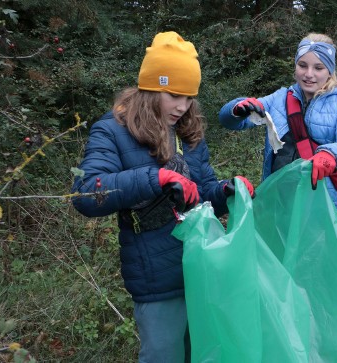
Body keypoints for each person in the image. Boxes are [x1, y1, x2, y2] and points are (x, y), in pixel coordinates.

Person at [71, 31, 254, 362]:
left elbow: (202, 195)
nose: (182, 106)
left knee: (203, 354)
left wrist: (227, 191)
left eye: (189, 98)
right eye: (173, 95)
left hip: (201, 272)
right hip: (156, 280)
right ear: (151, 88)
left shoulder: (189, 132)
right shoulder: (113, 130)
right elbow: (86, 193)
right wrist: (153, 178)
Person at [218, 33, 337, 216]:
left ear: (329, 71)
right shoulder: (279, 98)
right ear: (295, 66)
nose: (309, 74)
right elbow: (229, 121)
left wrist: (330, 155)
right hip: (279, 198)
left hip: (319, 202)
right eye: (302, 65)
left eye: (318, 68)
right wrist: (237, 109)